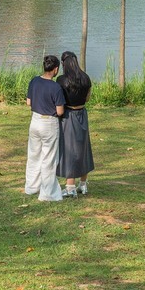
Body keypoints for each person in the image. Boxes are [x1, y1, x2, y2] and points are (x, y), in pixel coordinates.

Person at [24, 54, 65, 202]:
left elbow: (28, 102)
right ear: (55, 69)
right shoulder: (56, 87)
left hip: (34, 121)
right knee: (49, 158)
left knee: (34, 155)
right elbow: (60, 111)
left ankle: (31, 186)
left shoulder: (34, 81)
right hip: (49, 123)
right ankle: (48, 193)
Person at [56, 50, 95, 197]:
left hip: (68, 116)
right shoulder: (86, 78)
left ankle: (70, 186)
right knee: (83, 147)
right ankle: (83, 184)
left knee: (69, 149)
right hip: (82, 114)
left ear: (63, 63)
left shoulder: (61, 80)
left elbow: (59, 100)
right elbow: (87, 98)